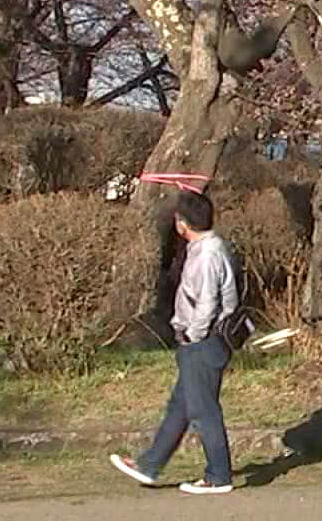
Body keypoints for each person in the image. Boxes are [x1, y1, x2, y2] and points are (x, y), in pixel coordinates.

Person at [110, 190, 241, 495]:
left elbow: (208, 302)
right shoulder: (203, 248)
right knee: (180, 407)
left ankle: (219, 475)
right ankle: (149, 465)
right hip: (199, 341)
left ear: (183, 223)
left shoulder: (208, 254)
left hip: (204, 342)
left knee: (204, 410)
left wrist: (193, 335)